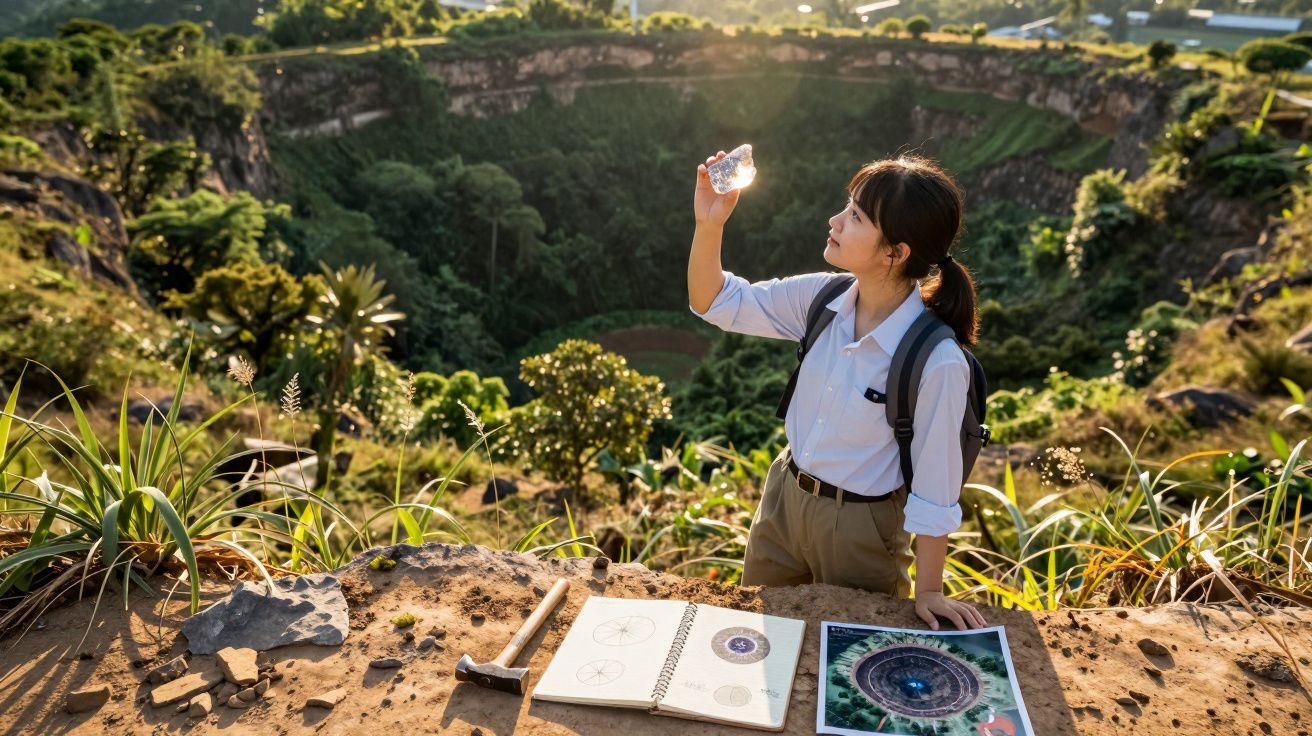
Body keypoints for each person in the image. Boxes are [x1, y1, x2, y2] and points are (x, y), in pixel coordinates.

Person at [687, 150, 987, 631]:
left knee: (844, 670)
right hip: (783, 502)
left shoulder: (937, 361)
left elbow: (936, 484)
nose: (835, 221)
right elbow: (716, 301)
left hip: (860, 529)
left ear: (896, 252)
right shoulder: (822, 298)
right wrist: (710, 224)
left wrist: (929, 590)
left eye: (855, 217)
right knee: (758, 646)